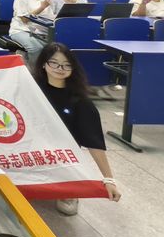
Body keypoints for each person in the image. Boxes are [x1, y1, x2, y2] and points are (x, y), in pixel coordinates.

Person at [33, 43, 121, 215]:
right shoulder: (31, 89)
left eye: (66, 65)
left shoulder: (80, 101)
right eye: (54, 63)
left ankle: (68, 190)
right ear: (43, 63)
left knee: (67, 209)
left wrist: (109, 179)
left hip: (61, 156)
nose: (60, 69)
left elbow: (94, 142)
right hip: (31, 151)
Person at [9, 0, 50, 65]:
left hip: (40, 30)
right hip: (21, 29)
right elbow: (24, 19)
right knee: (36, 48)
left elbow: (49, 17)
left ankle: (25, 59)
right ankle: (33, 72)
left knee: (52, 47)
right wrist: (41, 7)